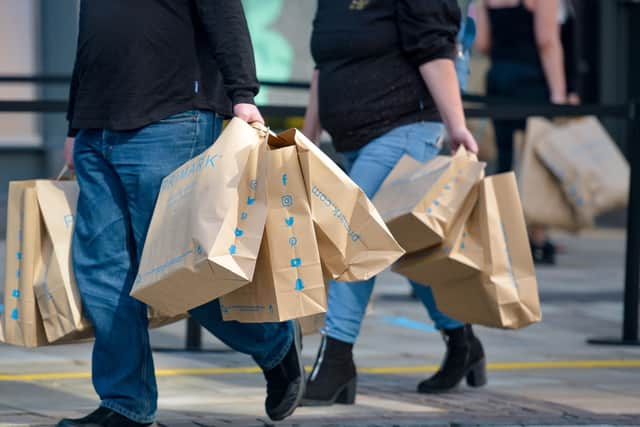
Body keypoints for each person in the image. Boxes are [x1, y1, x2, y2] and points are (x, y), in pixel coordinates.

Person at [59, 2, 303, 426]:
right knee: (103, 273)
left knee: (183, 270)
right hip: (96, 126)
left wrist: (243, 95)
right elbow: (90, 37)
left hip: (171, 118)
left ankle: (274, 345)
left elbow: (223, 10)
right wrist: (73, 124)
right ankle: (126, 405)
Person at [301, 0, 485, 405]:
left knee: (353, 238)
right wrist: (308, 138)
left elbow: (435, 50)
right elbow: (323, 67)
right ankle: (462, 341)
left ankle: (336, 361)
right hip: (352, 139)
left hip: (405, 129)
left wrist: (456, 126)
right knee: (405, 252)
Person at [475, 0, 568, 264]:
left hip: (499, 79)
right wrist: (559, 92)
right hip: (532, 82)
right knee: (536, 161)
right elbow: (547, 40)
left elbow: (482, 43)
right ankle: (537, 238)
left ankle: (503, 236)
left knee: (504, 161)